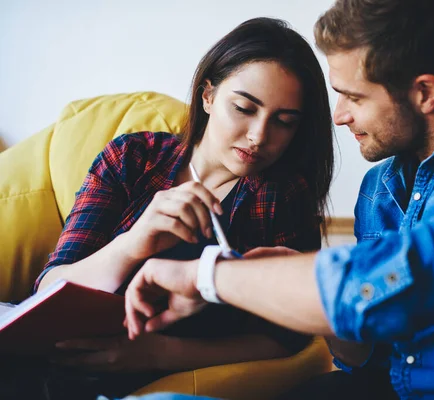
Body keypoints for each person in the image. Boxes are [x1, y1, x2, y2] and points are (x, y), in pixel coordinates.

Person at [121, 1, 434, 400]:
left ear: (425, 93)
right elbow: (364, 359)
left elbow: (412, 273)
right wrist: (295, 280)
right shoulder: (380, 188)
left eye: (353, 96)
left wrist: (206, 275)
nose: (339, 115)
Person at [3, 17, 335, 400]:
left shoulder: (279, 194)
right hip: (41, 363)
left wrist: (159, 355)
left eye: (283, 122)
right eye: (244, 108)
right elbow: (47, 287)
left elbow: (287, 335)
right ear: (207, 95)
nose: (259, 136)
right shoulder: (133, 158)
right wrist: (134, 242)